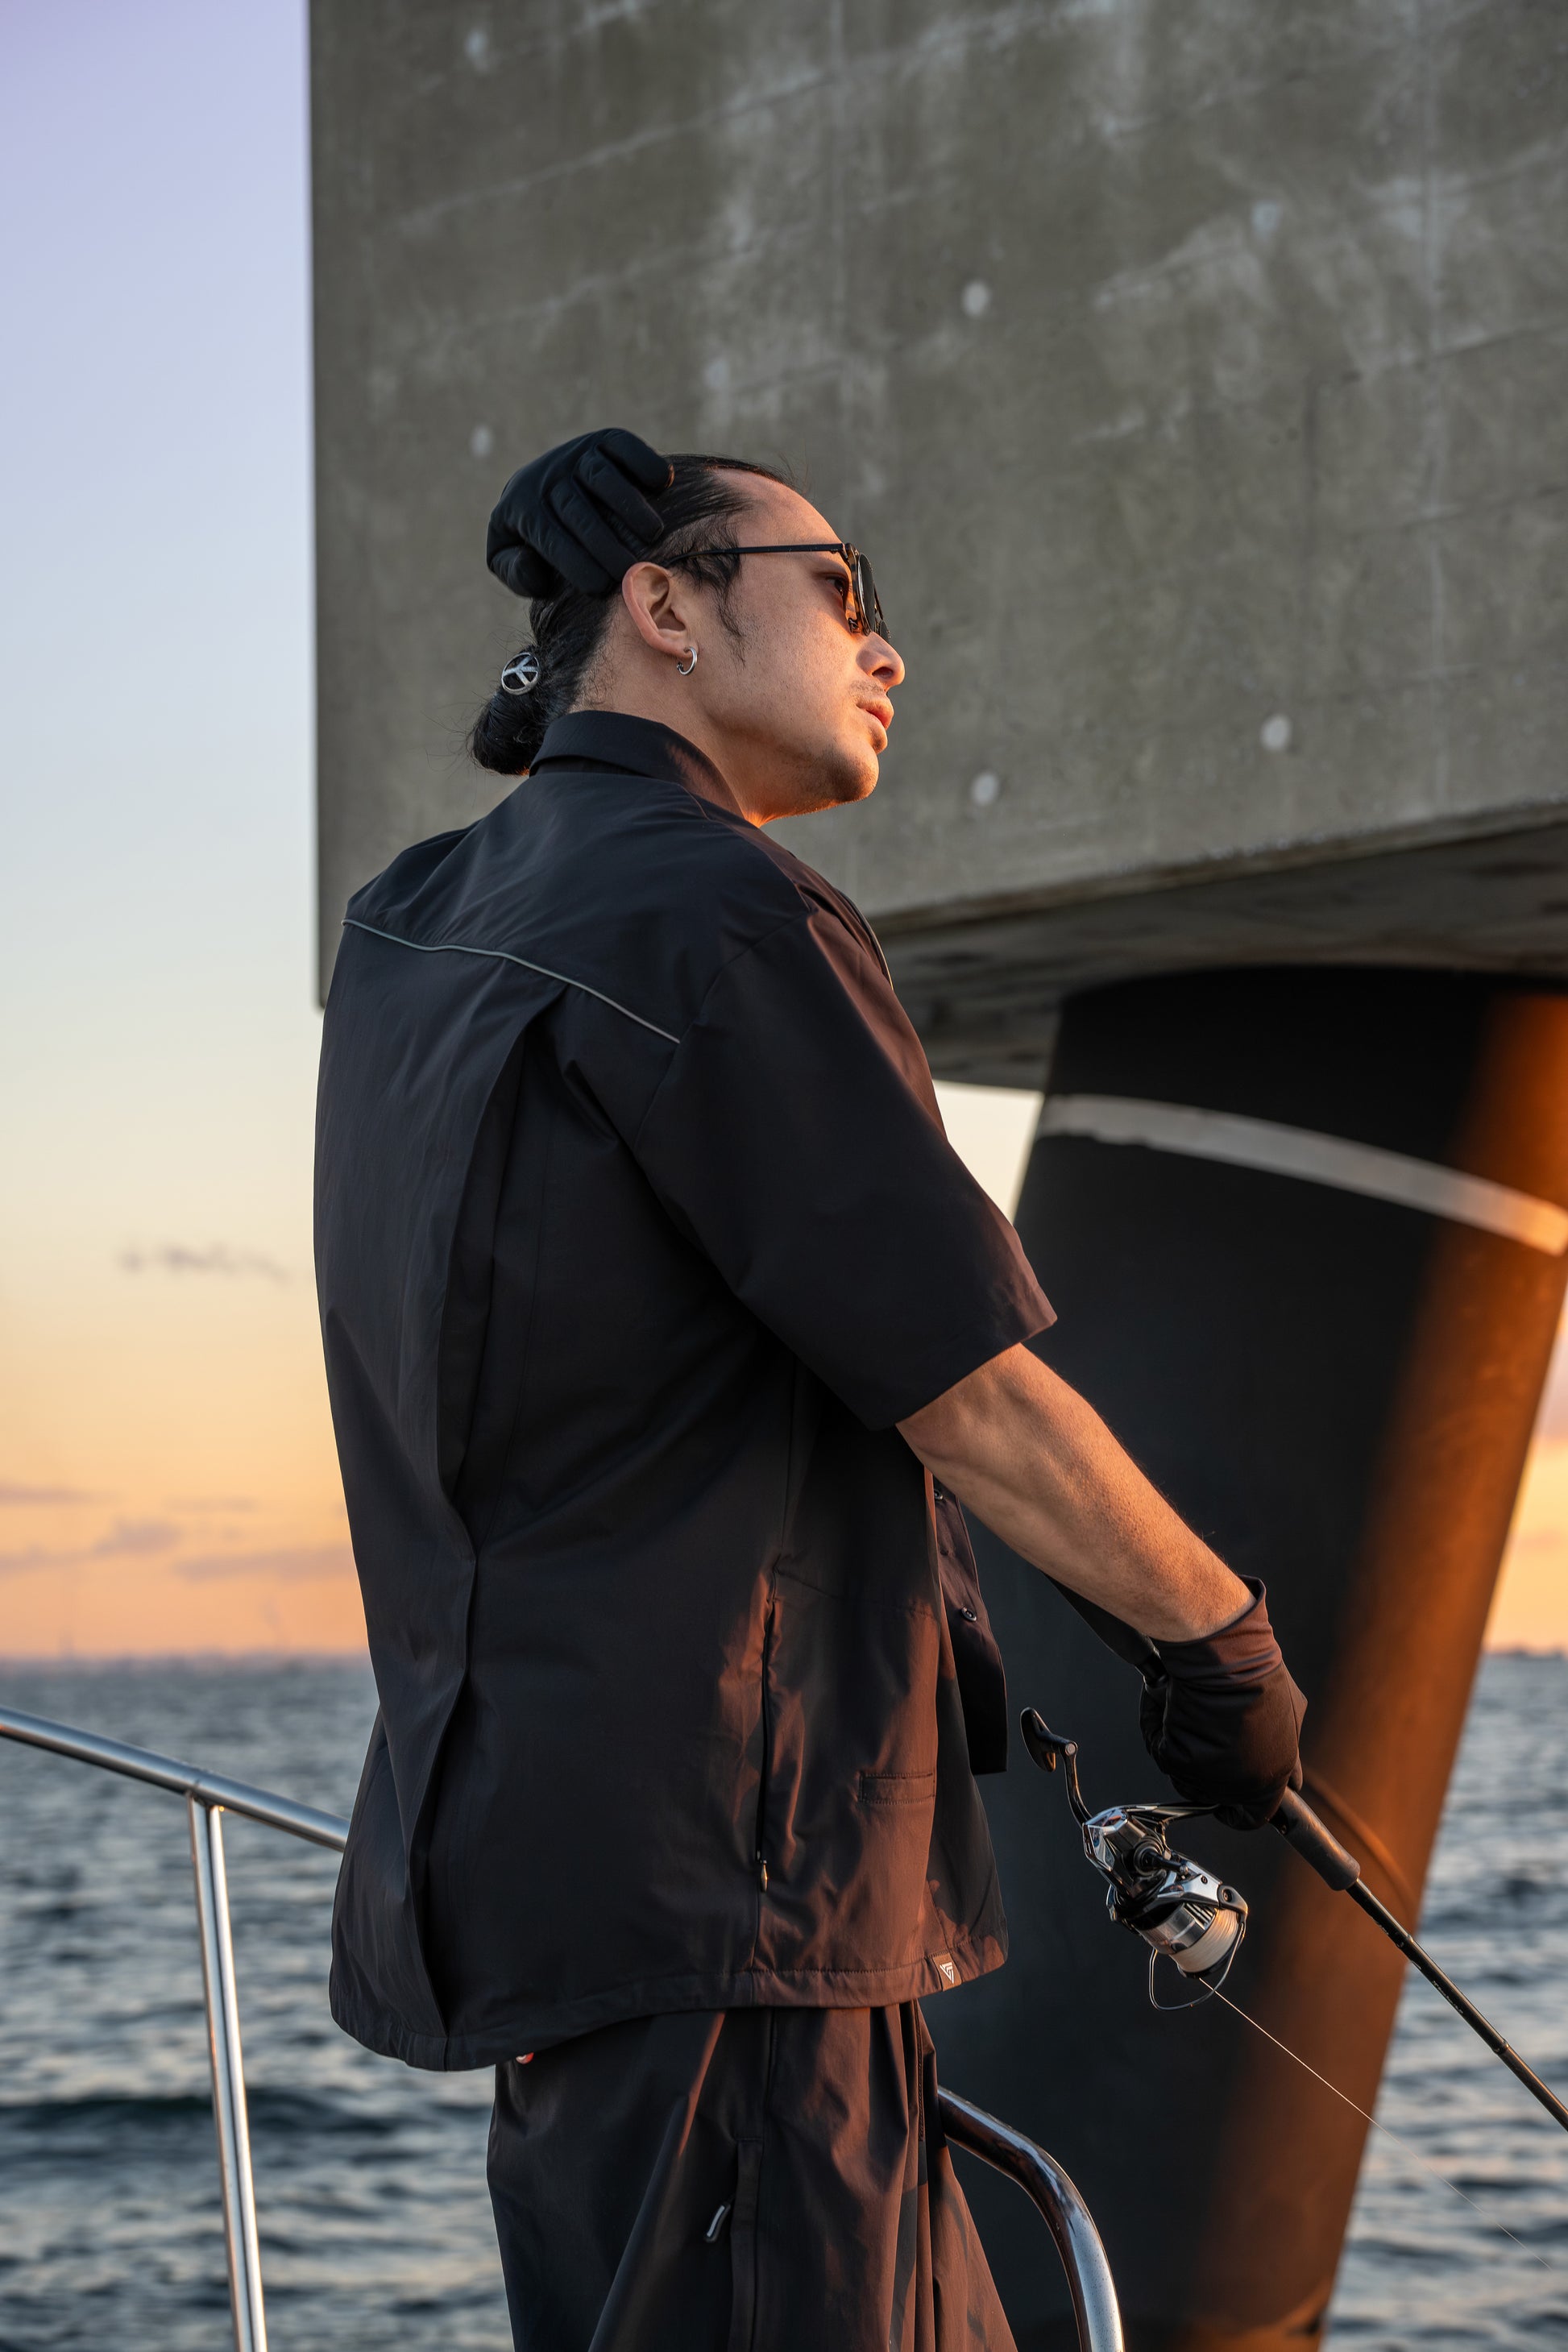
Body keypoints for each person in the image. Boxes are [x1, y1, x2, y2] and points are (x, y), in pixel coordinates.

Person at [313, 430, 1305, 2352]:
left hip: (539, 1870)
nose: (887, 646)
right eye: (843, 588)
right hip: (737, 1906)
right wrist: (1219, 1643)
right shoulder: (719, 909)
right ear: (665, 608)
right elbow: (970, 1391)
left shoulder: (411, 919)